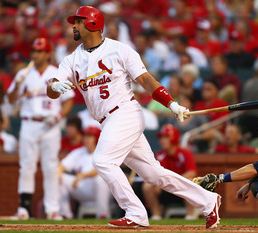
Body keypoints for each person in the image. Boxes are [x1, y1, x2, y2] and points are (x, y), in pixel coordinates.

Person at [46, 6, 221, 229]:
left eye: (79, 21)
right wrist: (54, 86)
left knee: (102, 160)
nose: (74, 25)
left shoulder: (120, 50)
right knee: (155, 175)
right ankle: (208, 201)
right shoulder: (71, 60)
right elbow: (51, 87)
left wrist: (171, 103)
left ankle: (135, 212)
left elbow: (146, 80)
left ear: (92, 23)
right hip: (107, 121)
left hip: (125, 113)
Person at [7, 37, 75, 220]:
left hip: (50, 125)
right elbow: (11, 100)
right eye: (34, 51)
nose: (35, 54)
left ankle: (52, 209)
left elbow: (69, 101)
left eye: (39, 51)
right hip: (29, 123)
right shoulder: (23, 74)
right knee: (26, 167)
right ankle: (24, 209)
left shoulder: (56, 73)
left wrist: (59, 116)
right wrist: (18, 84)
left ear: (47, 54)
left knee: (50, 167)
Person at [142, 124, 198, 220]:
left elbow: (191, 173)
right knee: (147, 186)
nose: (162, 140)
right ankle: (156, 215)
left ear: (174, 137)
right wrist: (157, 184)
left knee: (190, 180)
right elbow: (155, 174)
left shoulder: (185, 153)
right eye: (161, 137)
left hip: (181, 188)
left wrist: (172, 181)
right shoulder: (160, 155)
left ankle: (190, 215)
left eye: (166, 137)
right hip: (165, 190)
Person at [58, 126, 111, 219]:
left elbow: (100, 170)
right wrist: (58, 173)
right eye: (85, 136)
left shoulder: (103, 152)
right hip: (81, 188)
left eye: (90, 136)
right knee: (59, 178)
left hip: (100, 189)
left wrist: (83, 175)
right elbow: (61, 166)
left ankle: (103, 214)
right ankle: (65, 214)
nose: (86, 139)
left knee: (100, 179)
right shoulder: (78, 152)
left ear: (97, 138)